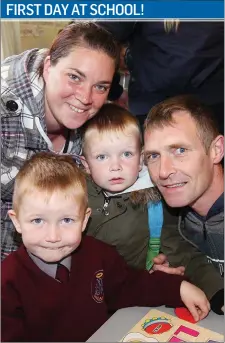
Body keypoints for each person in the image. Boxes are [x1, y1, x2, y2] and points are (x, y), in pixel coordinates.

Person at [2, 152, 210, 342]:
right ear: (17, 221)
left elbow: (131, 286)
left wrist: (178, 287)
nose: (53, 236)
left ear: (84, 221)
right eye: (38, 221)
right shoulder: (7, 281)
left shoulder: (98, 254)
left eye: (66, 220)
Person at [1, 21, 120, 260]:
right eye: (75, 77)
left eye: (100, 87)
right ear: (47, 67)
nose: (86, 98)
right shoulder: (5, 111)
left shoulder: (98, 125)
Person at [144, 95, 224, 315]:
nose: (163, 171)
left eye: (180, 150)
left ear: (216, 150)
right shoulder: (164, 219)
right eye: (152, 155)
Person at [80, 103, 184, 272]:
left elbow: (179, 250)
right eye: (102, 156)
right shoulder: (73, 196)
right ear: (86, 164)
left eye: (126, 154)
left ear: (141, 158)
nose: (116, 166)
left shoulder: (157, 201)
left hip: (132, 290)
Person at [98, 21, 224, 133]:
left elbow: (99, 37)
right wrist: (113, 90)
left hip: (208, 109)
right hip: (155, 107)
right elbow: (99, 38)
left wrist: (114, 90)